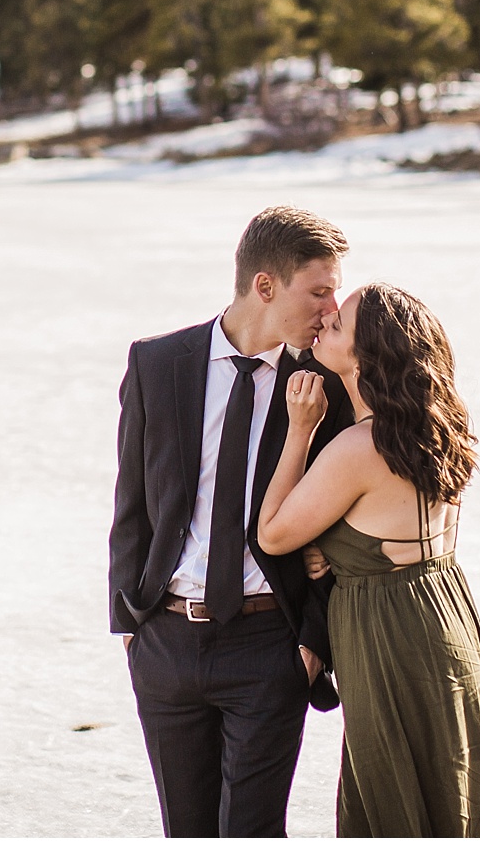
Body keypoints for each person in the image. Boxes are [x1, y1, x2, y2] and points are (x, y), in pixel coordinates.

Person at [110, 205, 358, 838]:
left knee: (252, 831)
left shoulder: (322, 384)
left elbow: (340, 523)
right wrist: (131, 629)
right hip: (165, 641)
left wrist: (311, 641)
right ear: (265, 285)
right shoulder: (157, 364)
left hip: (269, 645)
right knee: (186, 831)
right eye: (320, 291)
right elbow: (132, 504)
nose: (332, 310)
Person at [257, 282, 480, 838]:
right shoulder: (435, 428)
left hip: (389, 636)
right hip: (446, 615)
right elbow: (385, 532)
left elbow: (272, 534)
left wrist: (301, 431)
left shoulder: (358, 448)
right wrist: (334, 550)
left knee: (391, 796)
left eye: (338, 325)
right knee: (449, 784)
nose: (324, 324)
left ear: (368, 356)